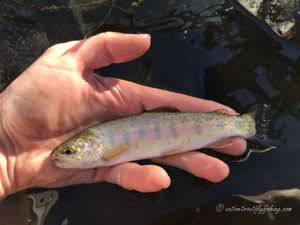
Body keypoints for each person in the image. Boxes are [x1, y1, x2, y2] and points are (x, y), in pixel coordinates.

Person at [0, 32, 246, 201]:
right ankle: (239, 126)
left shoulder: (103, 149)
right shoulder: (99, 147)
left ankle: (240, 126)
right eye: (68, 151)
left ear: (90, 145)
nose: (63, 157)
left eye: (68, 151)